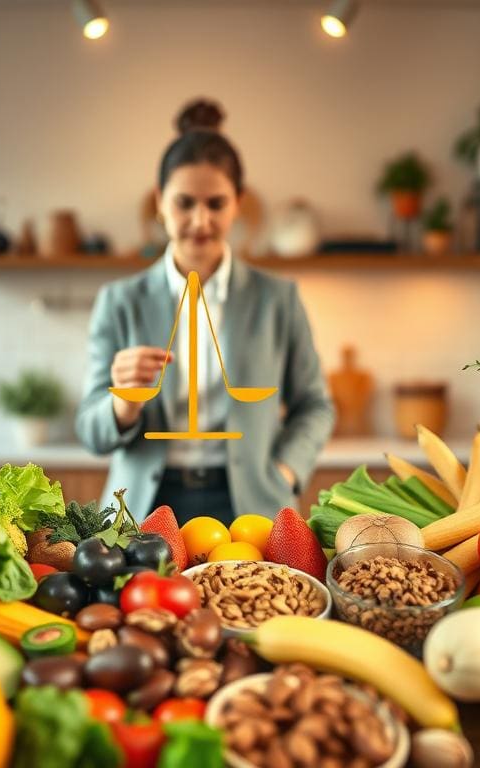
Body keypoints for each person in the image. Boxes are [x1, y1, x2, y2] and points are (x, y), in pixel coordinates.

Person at [76, 100, 335, 526]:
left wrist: (285, 472)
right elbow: (90, 430)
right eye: (184, 203)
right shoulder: (119, 301)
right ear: (160, 202)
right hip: (142, 506)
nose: (200, 220)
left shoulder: (278, 299)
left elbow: (314, 405)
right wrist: (123, 405)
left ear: (238, 203)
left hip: (251, 504)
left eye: (216, 204)